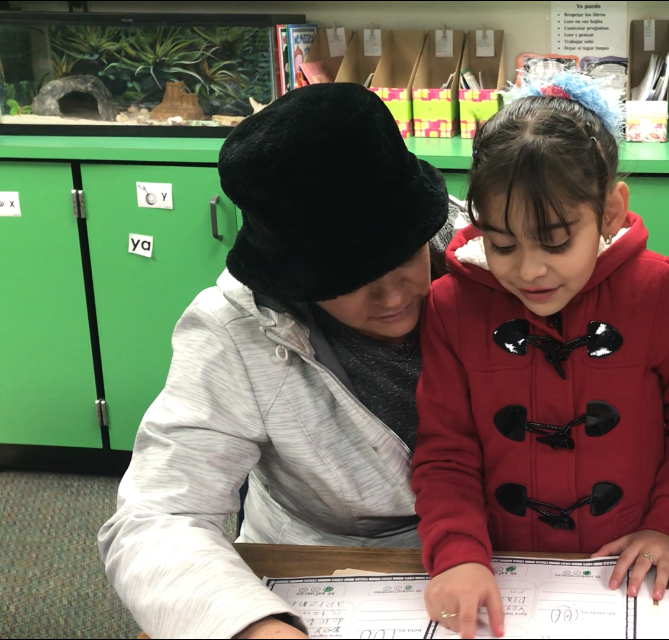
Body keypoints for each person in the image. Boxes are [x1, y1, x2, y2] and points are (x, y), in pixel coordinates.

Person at [98, 84, 464, 639]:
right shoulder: (231, 330)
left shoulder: (502, 258)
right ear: (291, 276)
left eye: (403, 259)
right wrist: (253, 627)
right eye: (348, 282)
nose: (392, 298)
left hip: (502, 547)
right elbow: (157, 516)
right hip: (318, 566)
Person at [410, 75, 669, 639]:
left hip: (630, 570)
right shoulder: (450, 307)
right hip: (501, 571)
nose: (528, 270)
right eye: (502, 244)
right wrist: (457, 552)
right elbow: (445, 451)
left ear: (609, 211)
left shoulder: (668, 294)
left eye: (555, 241)